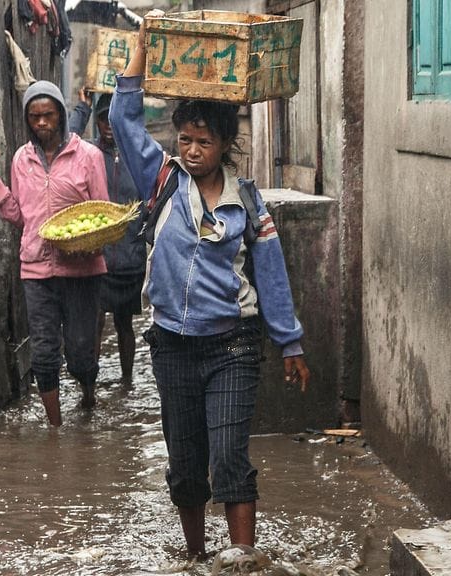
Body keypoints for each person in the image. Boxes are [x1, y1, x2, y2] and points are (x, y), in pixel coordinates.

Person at [108, 14, 312, 557]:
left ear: (225, 144)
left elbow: (270, 275)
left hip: (232, 346)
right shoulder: (163, 180)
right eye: (186, 139)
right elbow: (122, 118)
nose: (193, 149)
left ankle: (241, 560)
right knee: (186, 460)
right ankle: (196, 557)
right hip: (173, 345)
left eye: (204, 141)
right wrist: (139, 55)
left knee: (228, 454)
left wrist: (289, 342)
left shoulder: (247, 201)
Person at [0, 80, 109, 427]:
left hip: (82, 269)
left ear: (61, 115)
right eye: (34, 117)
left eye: (48, 115)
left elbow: (104, 213)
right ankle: (55, 427)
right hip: (36, 270)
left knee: (81, 351)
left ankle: (87, 391)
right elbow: (21, 217)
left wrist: (93, 241)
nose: (41, 123)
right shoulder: (22, 160)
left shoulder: (89, 157)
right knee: (44, 352)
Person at [70, 90, 148, 388]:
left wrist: (143, 235)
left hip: (130, 255)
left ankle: (127, 382)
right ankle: (90, 385)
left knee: (125, 323)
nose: (108, 127)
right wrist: (84, 108)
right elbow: (67, 141)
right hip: (97, 255)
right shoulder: (88, 153)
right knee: (96, 323)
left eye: (112, 120)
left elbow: (150, 198)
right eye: (102, 120)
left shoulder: (138, 155)